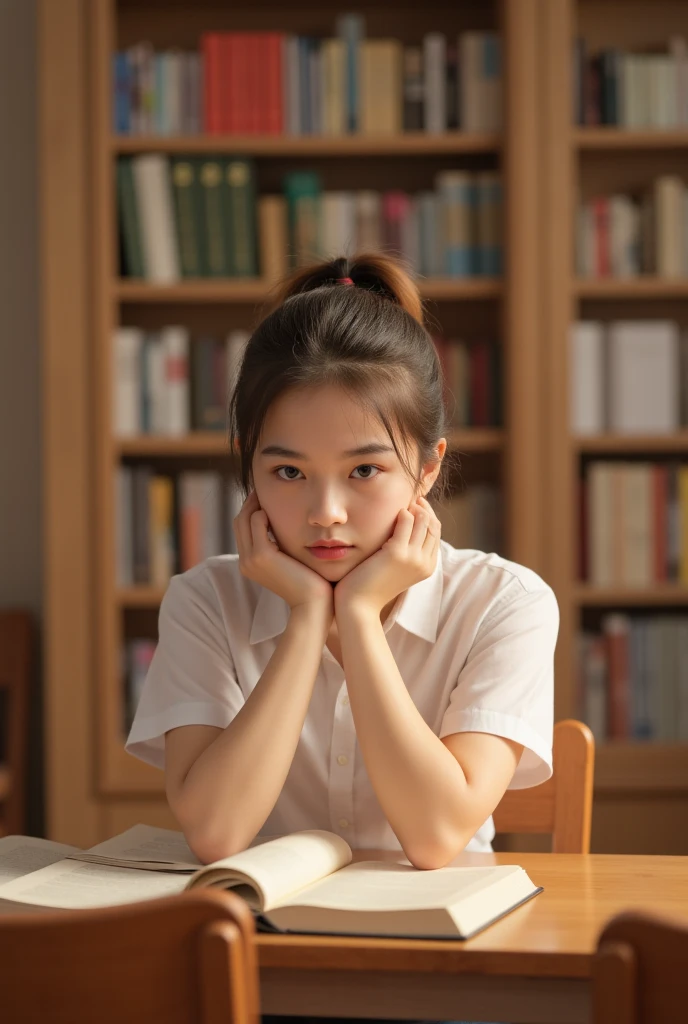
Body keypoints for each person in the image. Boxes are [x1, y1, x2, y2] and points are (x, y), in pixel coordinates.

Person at [125, 251, 558, 1024]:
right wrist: (302, 622)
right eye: (287, 473)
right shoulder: (203, 600)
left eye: (364, 472)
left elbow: (433, 837)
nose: (325, 512)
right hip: (259, 967)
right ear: (247, 472)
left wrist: (357, 619)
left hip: (452, 973)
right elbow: (217, 831)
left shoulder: (505, 601)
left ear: (428, 471)